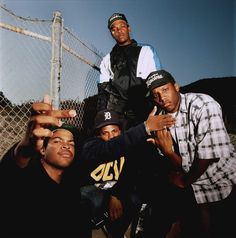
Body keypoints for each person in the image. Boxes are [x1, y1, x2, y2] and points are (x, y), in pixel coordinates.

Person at [144, 69, 236, 238]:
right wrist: (168, 152)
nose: (162, 98)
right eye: (155, 95)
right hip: (195, 183)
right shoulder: (162, 119)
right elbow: (182, 164)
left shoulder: (204, 105)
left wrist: (184, 181)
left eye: (165, 90)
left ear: (176, 87)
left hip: (222, 179)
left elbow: (208, 156)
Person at [0, 95, 92, 238]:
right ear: (42, 149)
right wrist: (25, 147)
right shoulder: (27, 181)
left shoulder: (70, 182)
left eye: (71, 143)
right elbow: (10, 174)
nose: (66, 145)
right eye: (57, 141)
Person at [77, 107, 176, 238]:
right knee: (88, 196)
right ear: (97, 135)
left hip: (118, 190)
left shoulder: (128, 147)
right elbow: (110, 147)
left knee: (136, 197)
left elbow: (132, 172)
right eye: (104, 133)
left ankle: (116, 231)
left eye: (114, 131)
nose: (111, 136)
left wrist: (115, 195)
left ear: (120, 131)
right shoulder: (91, 146)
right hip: (96, 191)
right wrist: (145, 128)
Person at [97, 12, 162, 130]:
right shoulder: (106, 60)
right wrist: (104, 119)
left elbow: (157, 81)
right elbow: (103, 93)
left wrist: (155, 109)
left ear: (128, 28)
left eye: (122, 26)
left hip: (144, 112)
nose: (119, 31)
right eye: (114, 29)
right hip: (119, 116)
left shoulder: (146, 50)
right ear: (111, 33)